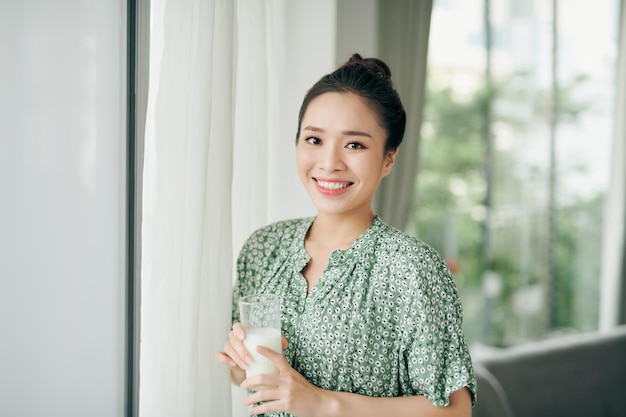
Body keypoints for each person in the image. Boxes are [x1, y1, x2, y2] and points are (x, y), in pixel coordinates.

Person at [216, 53, 477, 417]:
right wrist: (240, 359)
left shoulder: (412, 268)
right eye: (314, 140)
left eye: (354, 144)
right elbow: (248, 378)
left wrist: (323, 403)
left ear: (388, 158)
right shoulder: (263, 248)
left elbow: (456, 410)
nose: (329, 162)